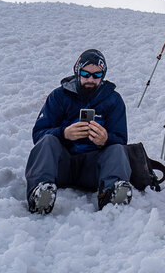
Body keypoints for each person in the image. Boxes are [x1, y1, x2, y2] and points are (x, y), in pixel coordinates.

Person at [26, 49, 131, 214]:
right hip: (61, 166)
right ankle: (40, 192)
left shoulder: (113, 100)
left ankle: (111, 193)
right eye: (85, 73)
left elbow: (121, 138)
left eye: (97, 75)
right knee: (48, 140)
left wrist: (105, 139)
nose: (90, 79)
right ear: (77, 72)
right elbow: (38, 134)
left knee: (117, 149)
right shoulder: (59, 96)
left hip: (94, 170)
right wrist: (64, 134)